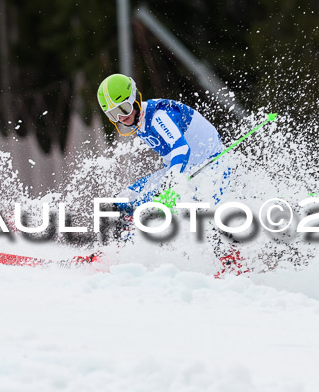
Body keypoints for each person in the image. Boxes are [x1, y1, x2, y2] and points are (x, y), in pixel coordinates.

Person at [96, 73, 246, 276]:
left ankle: (232, 264)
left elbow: (181, 150)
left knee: (200, 214)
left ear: (134, 98)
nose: (122, 117)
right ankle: (115, 255)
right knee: (122, 201)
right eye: (114, 115)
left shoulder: (158, 116)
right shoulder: (138, 120)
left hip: (212, 168)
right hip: (186, 169)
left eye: (124, 108)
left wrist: (170, 184)